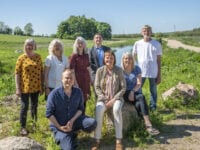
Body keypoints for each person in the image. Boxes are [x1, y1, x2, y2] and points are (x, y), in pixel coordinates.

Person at [46, 69, 97, 150]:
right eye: (66, 78)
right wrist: (60, 127)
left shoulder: (78, 92)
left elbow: (80, 109)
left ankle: (73, 132)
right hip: (60, 125)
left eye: (71, 78)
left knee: (92, 123)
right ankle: (62, 136)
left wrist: (72, 120)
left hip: (74, 121)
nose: (68, 80)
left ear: (73, 80)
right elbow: (49, 114)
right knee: (68, 148)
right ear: (62, 79)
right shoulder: (54, 94)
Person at [92, 50, 126, 150]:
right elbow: (96, 87)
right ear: (104, 59)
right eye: (107, 57)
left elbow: (123, 88)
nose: (109, 59)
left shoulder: (119, 70)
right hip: (103, 99)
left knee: (116, 110)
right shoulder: (100, 70)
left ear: (114, 59)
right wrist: (104, 98)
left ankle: (118, 140)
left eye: (111, 57)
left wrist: (113, 99)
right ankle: (97, 139)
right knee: (99, 110)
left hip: (117, 98)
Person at [121, 52, 159, 135]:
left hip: (135, 92)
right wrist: (128, 92)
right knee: (141, 97)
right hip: (124, 92)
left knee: (139, 103)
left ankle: (145, 125)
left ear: (132, 59)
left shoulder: (137, 68)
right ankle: (148, 124)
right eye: (126, 58)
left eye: (130, 58)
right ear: (123, 60)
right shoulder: (120, 70)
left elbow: (139, 83)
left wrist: (132, 91)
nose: (128, 60)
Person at [15, 39, 43, 135]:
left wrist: (42, 86)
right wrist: (17, 88)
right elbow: (17, 74)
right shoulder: (21, 58)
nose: (29, 47)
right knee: (24, 107)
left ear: (34, 46)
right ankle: (22, 127)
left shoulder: (38, 57)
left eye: (31, 45)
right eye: (27, 45)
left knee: (34, 106)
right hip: (24, 87)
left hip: (36, 86)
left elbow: (41, 72)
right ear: (25, 46)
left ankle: (34, 124)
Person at [132, 25, 162, 111]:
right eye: (144, 31)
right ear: (141, 33)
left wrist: (159, 75)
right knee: (138, 89)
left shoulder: (157, 44)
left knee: (153, 90)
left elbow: (159, 60)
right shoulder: (137, 43)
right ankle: (139, 106)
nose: (146, 32)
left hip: (153, 71)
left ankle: (153, 107)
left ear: (151, 32)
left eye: (148, 30)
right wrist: (134, 69)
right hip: (140, 72)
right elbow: (133, 56)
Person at [69, 37, 91, 110]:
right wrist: (75, 83)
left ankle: (83, 117)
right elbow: (72, 71)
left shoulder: (86, 55)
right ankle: (78, 118)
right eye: (79, 43)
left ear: (84, 45)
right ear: (76, 45)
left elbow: (88, 68)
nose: (80, 45)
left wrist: (90, 79)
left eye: (82, 43)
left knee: (85, 98)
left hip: (86, 80)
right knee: (78, 100)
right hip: (78, 80)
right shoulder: (74, 56)